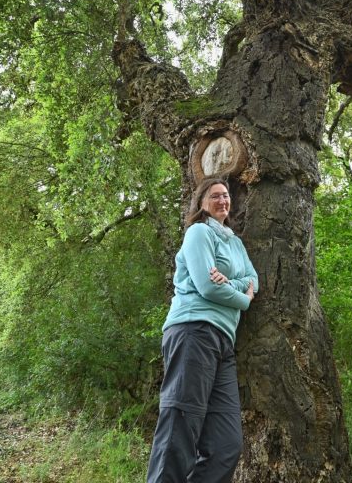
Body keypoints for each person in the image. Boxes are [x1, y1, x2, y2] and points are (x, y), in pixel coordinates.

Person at [146, 177, 259, 483]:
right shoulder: (198, 232)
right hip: (193, 331)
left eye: (226, 196)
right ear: (201, 203)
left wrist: (232, 283)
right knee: (179, 428)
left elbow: (254, 280)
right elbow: (208, 286)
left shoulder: (235, 242)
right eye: (215, 196)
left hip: (223, 342)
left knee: (227, 444)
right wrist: (243, 301)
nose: (223, 200)